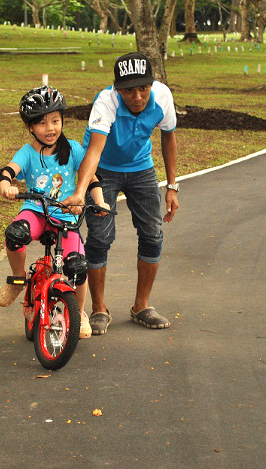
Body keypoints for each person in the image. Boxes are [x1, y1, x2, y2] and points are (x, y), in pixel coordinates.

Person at [61, 52, 179, 335]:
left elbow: (168, 135)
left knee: (152, 233)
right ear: (117, 88)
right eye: (128, 90)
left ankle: (142, 306)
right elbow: (94, 150)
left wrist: (172, 186)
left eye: (143, 88)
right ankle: (100, 309)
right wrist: (81, 191)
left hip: (141, 167)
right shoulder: (106, 101)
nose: (137, 96)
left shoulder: (162, 96)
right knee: (100, 237)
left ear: (152, 84)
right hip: (104, 170)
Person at [0, 85, 109, 339]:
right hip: (35, 212)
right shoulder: (27, 152)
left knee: (78, 267)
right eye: (43, 123)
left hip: (66, 218)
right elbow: (7, 171)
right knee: (15, 234)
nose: (51, 129)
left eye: (56, 121)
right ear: (30, 128)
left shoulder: (74, 150)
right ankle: (17, 279)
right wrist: (6, 184)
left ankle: (78, 313)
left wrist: (100, 202)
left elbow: (91, 177)